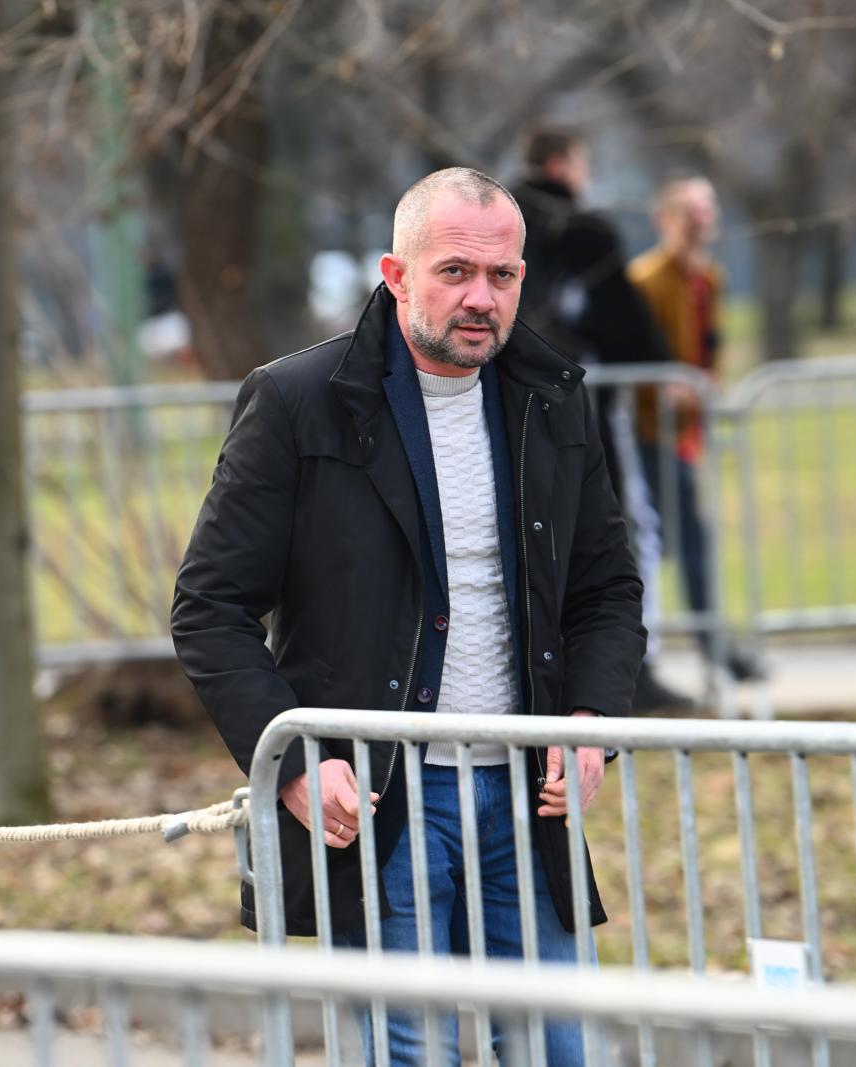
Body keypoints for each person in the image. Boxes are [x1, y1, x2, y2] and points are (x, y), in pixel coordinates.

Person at [172, 167, 645, 1065]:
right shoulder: (298, 400)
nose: (481, 299)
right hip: (384, 795)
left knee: (557, 1048)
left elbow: (607, 590)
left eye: (502, 276)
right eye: (454, 271)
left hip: (526, 789)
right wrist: (293, 759)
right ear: (395, 275)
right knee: (406, 1052)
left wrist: (590, 722)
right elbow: (209, 607)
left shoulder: (552, 397)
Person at [513, 127, 696, 713]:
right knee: (625, 528)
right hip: (587, 403)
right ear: (561, 165)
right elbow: (624, 322)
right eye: (582, 163)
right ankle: (634, 667)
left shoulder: (502, 222)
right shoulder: (583, 231)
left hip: (510, 406)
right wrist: (661, 367)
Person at [628, 176, 765, 683]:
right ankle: (677, 653)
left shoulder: (709, 277)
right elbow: (638, 360)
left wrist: (705, 392)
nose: (701, 221)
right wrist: (667, 390)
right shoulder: (646, 280)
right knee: (665, 540)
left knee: (682, 537)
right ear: (664, 219)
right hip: (649, 431)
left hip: (685, 431)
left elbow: (710, 347)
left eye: (707, 210)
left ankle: (709, 647)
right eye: (690, 211)